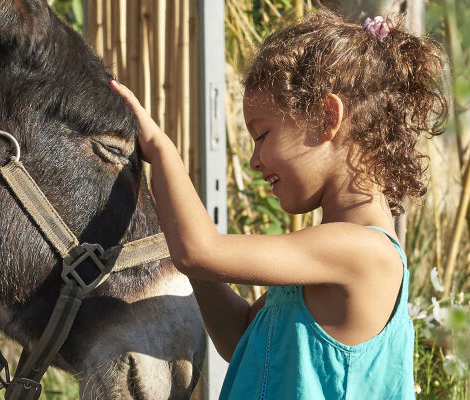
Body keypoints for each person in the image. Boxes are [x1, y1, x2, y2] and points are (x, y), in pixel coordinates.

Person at [111, 8, 447, 399]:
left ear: (327, 117)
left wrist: (159, 148)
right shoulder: (327, 258)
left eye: (262, 134)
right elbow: (242, 340)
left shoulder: (364, 252)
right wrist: (196, 264)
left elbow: (199, 250)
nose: (254, 161)